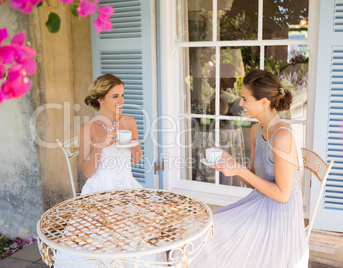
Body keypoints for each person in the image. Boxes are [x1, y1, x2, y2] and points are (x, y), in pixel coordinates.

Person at [190, 69, 309, 267]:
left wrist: (239, 170)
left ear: (264, 102)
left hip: (281, 217)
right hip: (259, 203)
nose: (241, 104)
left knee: (213, 236)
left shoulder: (282, 137)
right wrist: (231, 163)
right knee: (205, 227)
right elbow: (255, 182)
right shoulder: (256, 130)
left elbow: (282, 195)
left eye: (245, 99)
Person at [55, 74, 165, 267]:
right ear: (100, 99)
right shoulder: (87, 128)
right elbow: (87, 172)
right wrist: (98, 146)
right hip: (98, 190)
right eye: (115, 96)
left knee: (139, 235)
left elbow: (137, 159)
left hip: (126, 185)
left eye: (122, 95)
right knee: (99, 240)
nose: (121, 100)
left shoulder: (129, 122)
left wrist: (133, 146)